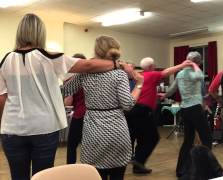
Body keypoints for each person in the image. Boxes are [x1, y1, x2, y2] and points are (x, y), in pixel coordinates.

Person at [0, 13, 128, 180]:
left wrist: (4, 125)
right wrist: (117, 64)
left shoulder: (5, 60)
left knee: (18, 176)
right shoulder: (48, 57)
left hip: (12, 129)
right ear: (40, 32)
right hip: (44, 128)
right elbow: (88, 65)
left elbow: (2, 98)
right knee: (42, 176)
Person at [63, 35, 143, 180]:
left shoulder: (85, 74)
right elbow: (128, 104)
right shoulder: (119, 74)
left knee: (95, 175)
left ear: (96, 51)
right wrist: (139, 85)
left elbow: (64, 91)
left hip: (93, 132)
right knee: (117, 175)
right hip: (117, 132)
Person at [126, 57, 192, 174]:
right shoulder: (151, 74)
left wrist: (155, 96)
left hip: (133, 110)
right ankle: (138, 159)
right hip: (143, 111)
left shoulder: (141, 76)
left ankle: (138, 166)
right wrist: (182, 65)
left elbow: (144, 91)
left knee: (141, 138)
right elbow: (166, 72)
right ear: (151, 66)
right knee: (153, 138)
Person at [161, 51, 212, 178]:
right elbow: (200, 76)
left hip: (185, 109)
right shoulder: (195, 72)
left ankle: (181, 170)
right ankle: (204, 169)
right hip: (195, 108)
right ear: (198, 62)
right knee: (207, 138)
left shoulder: (180, 74)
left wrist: (164, 95)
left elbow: (172, 89)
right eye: (199, 62)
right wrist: (195, 65)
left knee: (188, 141)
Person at [64, 53, 87, 164]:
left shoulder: (72, 81)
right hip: (94, 116)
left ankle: (70, 169)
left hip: (79, 116)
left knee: (72, 145)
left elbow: (67, 103)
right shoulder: (94, 78)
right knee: (90, 146)